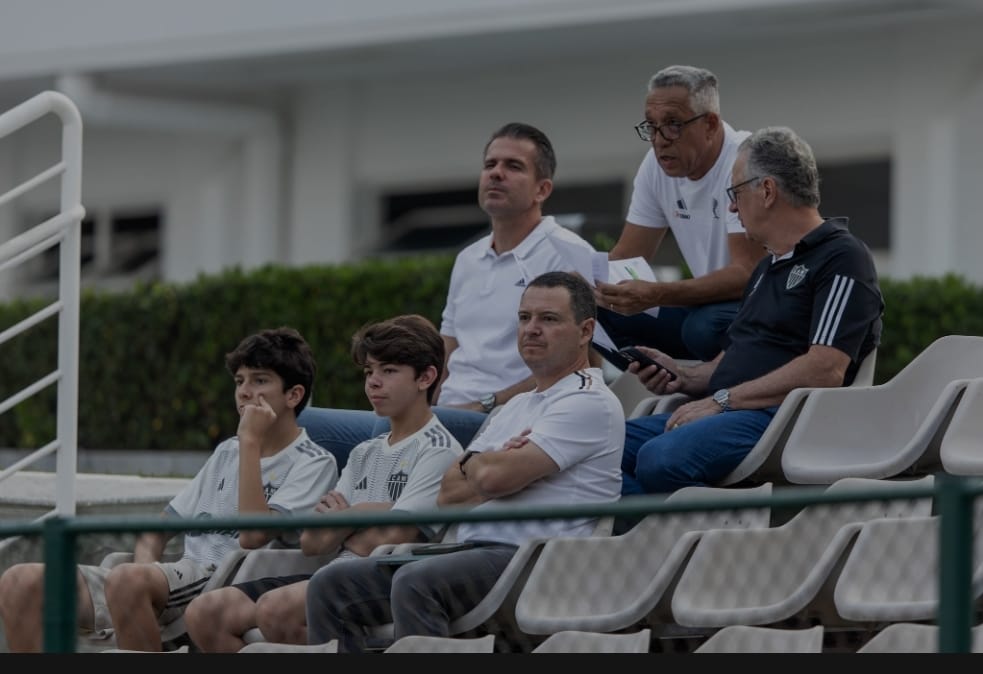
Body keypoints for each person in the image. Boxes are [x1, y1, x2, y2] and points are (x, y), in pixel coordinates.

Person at [304, 271, 624, 653]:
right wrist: (492, 462)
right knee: (331, 585)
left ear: (585, 330)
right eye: (524, 318)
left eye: (548, 319)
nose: (532, 329)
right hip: (470, 553)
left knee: (416, 582)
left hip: (538, 561)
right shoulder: (517, 406)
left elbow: (488, 479)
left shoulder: (589, 401)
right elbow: (448, 493)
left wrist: (486, 466)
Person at [0, 327, 338, 652]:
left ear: (293, 395)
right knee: (20, 581)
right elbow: (157, 530)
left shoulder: (312, 462)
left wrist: (250, 442)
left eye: (260, 380)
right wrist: (142, 571)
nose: (245, 392)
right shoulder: (228, 451)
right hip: (174, 579)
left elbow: (252, 535)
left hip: (223, 584)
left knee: (129, 581)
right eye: (239, 381)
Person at [298, 122, 596, 465]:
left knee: (381, 432)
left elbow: (581, 364)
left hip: (504, 419)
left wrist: (486, 403)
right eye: (490, 165)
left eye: (513, 166)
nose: (496, 174)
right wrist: (419, 402)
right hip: (443, 413)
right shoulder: (468, 258)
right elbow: (444, 351)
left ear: (542, 189)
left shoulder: (568, 253)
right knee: (301, 425)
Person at [620, 126, 884, 496]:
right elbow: (739, 354)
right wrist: (684, 376)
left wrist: (721, 401)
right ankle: (650, 544)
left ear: (767, 191)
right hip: (732, 411)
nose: (731, 206)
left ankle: (687, 544)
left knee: (657, 458)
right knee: (600, 448)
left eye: (735, 193)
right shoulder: (767, 266)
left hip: (780, 418)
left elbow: (826, 368)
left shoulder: (843, 257)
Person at [182, 314, 464, 652]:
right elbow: (313, 542)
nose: (373, 382)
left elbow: (394, 536)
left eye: (388, 371)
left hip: (387, 578)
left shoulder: (439, 449)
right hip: (332, 570)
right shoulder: (363, 451)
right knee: (207, 612)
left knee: (276, 610)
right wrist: (368, 515)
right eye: (369, 372)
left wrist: (347, 517)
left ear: (426, 377)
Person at [593, 64, 767, 366]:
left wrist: (657, 293)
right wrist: (580, 280)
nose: (660, 139)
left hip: (763, 310)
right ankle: (672, 386)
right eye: (651, 126)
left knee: (703, 328)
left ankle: (710, 391)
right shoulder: (655, 164)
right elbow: (628, 257)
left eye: (673, 124)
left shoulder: (745, 159)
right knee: (594, 310)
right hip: (707, 309)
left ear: (710, 124)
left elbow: (747, 274)